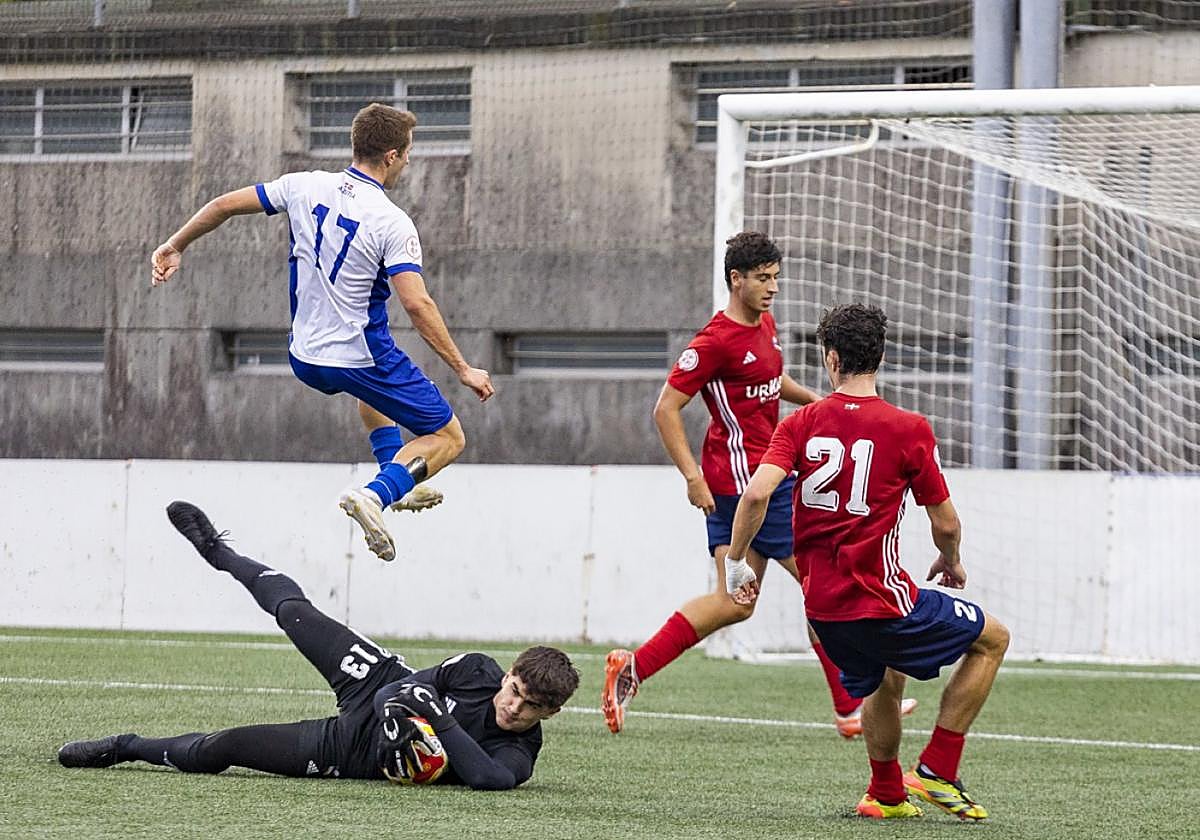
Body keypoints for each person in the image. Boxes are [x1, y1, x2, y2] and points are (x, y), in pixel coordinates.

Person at [601, 232, 915, 738]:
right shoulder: (714, 342)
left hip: (765, 477)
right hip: (749, 484)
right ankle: (852, 706)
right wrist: (691, 476)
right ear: (736, 280)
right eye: (763, 278)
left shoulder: (764, 324)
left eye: (775, 277)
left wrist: (819, 404)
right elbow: (665, 408)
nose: (773, 287)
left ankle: (634, 669)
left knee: (735, 604)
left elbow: (770, 385)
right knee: (823, 584)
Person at [150, 103, 493, 562]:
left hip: (305, 356)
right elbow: (416, 302)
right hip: (359, 354)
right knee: (449, 438)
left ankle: (393, 477)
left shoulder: (303, 185)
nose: (410, 160)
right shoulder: (392, 221)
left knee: (372, 391)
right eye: (408, 153)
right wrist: (463, 368)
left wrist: (175, 244)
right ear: (390, 155)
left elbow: (223, 206)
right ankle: (377, 493)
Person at [57, 502, 580, 790]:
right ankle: (220, 552)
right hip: (377, 680)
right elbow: (390, 697)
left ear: (550, 713)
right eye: (515, 690)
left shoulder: (518, 752)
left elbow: (489, 779)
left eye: (531, 705)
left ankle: (125, 746)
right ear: (509, 674)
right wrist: (408, 707)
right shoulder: (477, 670)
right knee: (295, 613)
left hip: (350, 751)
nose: (514, 706)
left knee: (225, 748)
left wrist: (433, 725)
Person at [724, 303, 1010, 820]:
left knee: (884, 675)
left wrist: (737, 564)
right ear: (879, 357)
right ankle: (939, 771)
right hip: (881, 600)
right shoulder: (909, 427)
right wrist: (952, 561)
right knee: (993, 639)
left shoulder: (798, 424)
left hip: (823, 612)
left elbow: (754, 497)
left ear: (831, 359)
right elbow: (945, 523)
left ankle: (885, 793)